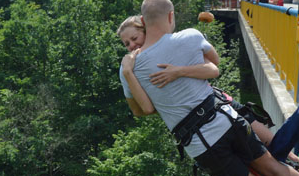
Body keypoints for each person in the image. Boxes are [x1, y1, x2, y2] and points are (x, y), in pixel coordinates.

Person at [119, 0, 299, 176]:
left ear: (143, 22)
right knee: (273, 167)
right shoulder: (191, 36)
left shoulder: (131, 68)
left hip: (202, 144)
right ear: (170, 16)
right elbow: (214, 65)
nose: (132, 45)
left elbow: (143, 110)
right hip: (227, 117)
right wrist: (183, 72)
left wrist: (128, 73)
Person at [116, 15, 279, 149]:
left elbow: (213, 69)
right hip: (200, 119)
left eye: (134, 38)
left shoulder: (173, 45)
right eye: (126, 44)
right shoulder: (130, 69)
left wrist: (179, 72)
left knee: (270, 143)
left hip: (216, 101)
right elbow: (139, 110)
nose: (131, 45)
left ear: (147, 31)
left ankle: (294, 160)